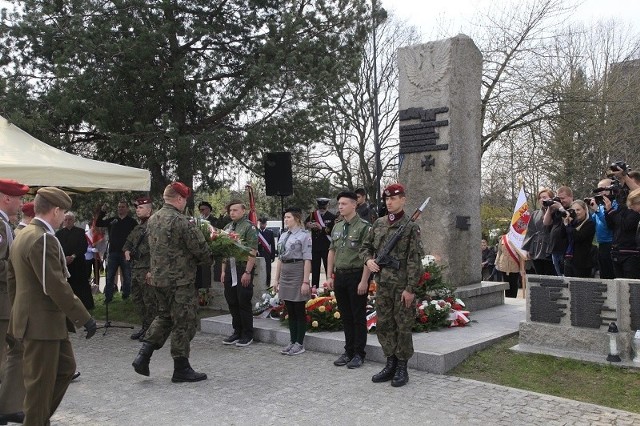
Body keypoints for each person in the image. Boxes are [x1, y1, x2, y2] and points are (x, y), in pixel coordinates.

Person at [7, 187, 96, 425]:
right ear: (56, 210)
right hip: (41, 324)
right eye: (63, 211)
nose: (63, 216)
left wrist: (17, 316)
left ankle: (38, 417)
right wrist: (84, 317)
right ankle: (35, 420)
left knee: (66, 368)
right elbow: (55, 285)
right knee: (40, 384)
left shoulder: (23, 234)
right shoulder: (43, 238)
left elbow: (11, 281)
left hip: (42, 322)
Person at [132, 182, 212, 382]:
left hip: (159, 280)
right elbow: (201, 251)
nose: (185, 203)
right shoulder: (181, 221)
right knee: (184, 321)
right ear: (178, 199)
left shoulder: (153, 219)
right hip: (180, 281)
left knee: (165, 316)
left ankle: (144, 354)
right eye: (184, 199)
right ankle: (181, 368)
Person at [361, 183, 424, 388]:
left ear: (403, 200)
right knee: (385, 324)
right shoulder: (378, 224)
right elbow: (366, 247)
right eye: (387, 199)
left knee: (403, 326)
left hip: (401, 286)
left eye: (394, 198)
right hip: (383, 285)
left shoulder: (411, 226)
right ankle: (390, 363)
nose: (389, 202)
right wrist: (368, 261)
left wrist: (410, 289)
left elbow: (415, 260)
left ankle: (402, 367)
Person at [325, 191, 371, 368]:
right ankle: (348, 351)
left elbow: (368, 254)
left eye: (344, 204)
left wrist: (364, 280)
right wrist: (329, 276)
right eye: (339, 204)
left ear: (354, 205)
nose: (340, 207)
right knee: (345, 316)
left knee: (358, 316)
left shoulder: (364, 227)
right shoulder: (337, 226)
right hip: (341, 275)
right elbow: (332, 251)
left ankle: (359, 353)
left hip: (357, 274)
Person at [0, 179, 29, 425]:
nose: (21, 203)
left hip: (6, 300)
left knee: (15, 350)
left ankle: (8, 407)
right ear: (6, 198)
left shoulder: (5, 224)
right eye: (18, 198)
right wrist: (18, 268)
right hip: (1, 302)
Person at [273, 208, 312, 356]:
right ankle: (292, 340)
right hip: (286, 272)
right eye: (285, 217)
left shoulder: (304, 235)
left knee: (298, 308)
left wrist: (305, 281)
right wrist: (276, 279)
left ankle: (299, 343)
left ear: (296, 218)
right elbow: (280, 259)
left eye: (288, 217)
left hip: (297, 270)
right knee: (289, 308)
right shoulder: (283, 235)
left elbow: (307, 259)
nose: (285, 219)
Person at [220, 200, 259, 347]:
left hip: (243, 268)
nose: (232, 213)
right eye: (230, 210)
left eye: (235, 210)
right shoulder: (227, 227)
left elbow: (252, 250)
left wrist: (248, 272)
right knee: (232, 300)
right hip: (230, 268)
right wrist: (223, 271)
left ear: (243, 211)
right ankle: (237, 331)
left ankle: (247, 334)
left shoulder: (249, 227)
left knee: (243, 300)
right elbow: (223, 250)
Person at [123, 196, 155, 341]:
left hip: (148, 269)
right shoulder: (137, 228)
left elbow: (158, 251)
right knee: (137, 299)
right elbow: (127, 243)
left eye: (140, 207)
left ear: (149, 210)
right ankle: (145, 327)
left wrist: (152, 270)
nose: (137, 210)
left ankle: (152, 331)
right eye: (136, 207)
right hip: (136, 269)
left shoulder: (154, 227)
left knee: (150, 301)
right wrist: (127, 251)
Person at [95, 200, 137, 302]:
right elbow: (98, 223)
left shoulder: (132, 222)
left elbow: (136, 236)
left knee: (127, 276)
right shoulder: (113, 220)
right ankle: (108, 297)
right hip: (113, 252)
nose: (120, 209)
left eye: (122, 207)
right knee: (109, 276)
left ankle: (126, 295)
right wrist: (103, 212)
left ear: (127, 209)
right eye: (119, 207)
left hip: (125, 253)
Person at [605, 174, 640, 279]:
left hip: (630, 254)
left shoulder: (635, 211)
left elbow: (626, 225)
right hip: (617, 251)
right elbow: (612, 225)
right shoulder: (622, 206)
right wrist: (609, 210)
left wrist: (615, 210)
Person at [56, 212, 93, 310]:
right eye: (66, 220)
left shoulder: (80, 232)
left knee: (82, 284)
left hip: (78, 262)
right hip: (65, 263)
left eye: (70, 219)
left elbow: (83, 247)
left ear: (74, 221)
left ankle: (85, 305)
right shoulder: (58, 234)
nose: (68, 221)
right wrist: (64, 258)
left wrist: (73, 256)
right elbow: (57, 248)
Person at [522, 188, 555, 275]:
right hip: (536, 248)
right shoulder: (535, 214)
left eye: (544, 197)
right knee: (539, 275)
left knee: (550, 275)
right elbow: (530, 231)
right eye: (540, 198)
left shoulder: (556, 211)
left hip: (550, 247)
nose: (542, 199)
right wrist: (528, 249)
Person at [305, 197, 336, 288]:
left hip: (327, 246)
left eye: (324, 206)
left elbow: (332, 231)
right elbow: (305, 223)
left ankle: (330, 288)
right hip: (315, 246)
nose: (322, 208)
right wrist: (309, 225)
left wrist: (320, 228)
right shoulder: (313, 215)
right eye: (320, 206)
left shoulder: (331, 216)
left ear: (327, 206)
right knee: (315, 269)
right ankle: (315, 289)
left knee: (328, 268)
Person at [588, 178, 616, 279]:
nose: (601, 192)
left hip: (612, 243)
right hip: (601, 244)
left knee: (612, 275)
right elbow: (594, 224)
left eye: (603, 189)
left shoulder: (615, 204)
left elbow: (610, 224)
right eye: (599, 190)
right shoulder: (599, 205)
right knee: (604, 276)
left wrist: (597, 211)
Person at [543, 186, 574, 275]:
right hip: (555, 248)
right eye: (559, 198)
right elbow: (546, 222)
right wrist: (550, 207)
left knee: (566, 276)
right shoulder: (557, 210)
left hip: (566, 249)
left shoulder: (574, 208)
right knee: (559, 277)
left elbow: (571, 219)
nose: (561, 201)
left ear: (571, 197)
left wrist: (561, 208)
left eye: (563, 198)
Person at [563, 200, 596, 278]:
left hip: (582, 262)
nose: (576, 212)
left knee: (580, 288)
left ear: (585, 210)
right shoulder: (573, 223)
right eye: (573, 210)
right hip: (569, 259)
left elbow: (578, 237)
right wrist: (566, 221)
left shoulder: (589, 224)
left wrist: (568, 226)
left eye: (578, 210)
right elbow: (562, 235)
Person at [495, 233, 524, 298]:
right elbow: (499, 251)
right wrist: (496, 262)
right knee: (506, 283)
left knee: (514, 283)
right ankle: (507, 298)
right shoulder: (503, 238)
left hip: (514, 263)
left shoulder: (518, 239)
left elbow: (520, 254)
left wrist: (522, 268)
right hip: (504, 264)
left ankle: (513, 298)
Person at [257, 217, 277, 287]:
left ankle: (267, 285)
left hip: (267, 253)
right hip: (258, 253)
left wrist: (273, 256)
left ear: (266, 224)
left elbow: (273, 245)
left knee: (268, 271)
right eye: (261, 224)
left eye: (264, 224)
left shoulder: (270, 232)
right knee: (258, 270)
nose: (262, 225)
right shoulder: (256, 232)